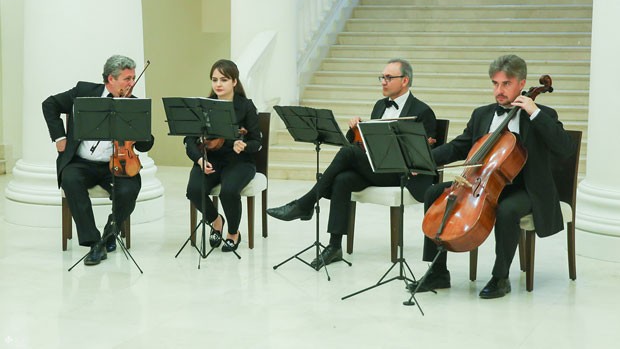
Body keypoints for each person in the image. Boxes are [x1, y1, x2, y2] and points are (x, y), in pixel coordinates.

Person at [411, 54, 576, 299]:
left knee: (507, 209)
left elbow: (565, 148)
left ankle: (500, 277)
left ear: (522, 83)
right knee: (434, 193)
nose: (499, 90)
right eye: (495, 83)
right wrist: (425, 161)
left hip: (526, 188)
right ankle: (437, 272)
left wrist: (534, 113)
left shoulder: (543, 114)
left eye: (506, 84)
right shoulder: (482, 114)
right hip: (485, 182)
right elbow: (459, 146)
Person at [267, 58, 437, 269]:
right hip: (378, 168)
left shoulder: (423, 111)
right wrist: (357, 128)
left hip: (402, 174)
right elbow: (368, 145)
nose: (383, 81)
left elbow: (428, 153)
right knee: (343, 179)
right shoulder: (379, 106)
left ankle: (306, 203)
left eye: (388, 77)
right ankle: (334, 246)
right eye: (382, 77)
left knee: (348, 153)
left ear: (405, 80)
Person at [42, 55, 155, 266]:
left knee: (130, 188)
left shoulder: (134, 104)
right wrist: (59, 137)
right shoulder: (84, 91)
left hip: (118, 163)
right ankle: (94, 242)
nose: (132, 83)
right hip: (81, 162)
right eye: (127, 78)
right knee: (70, 179)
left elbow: (145, 146)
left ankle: (111, 232)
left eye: (133, 78)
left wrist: (141, 129)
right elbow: (49, 104)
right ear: (111, 78)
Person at [184, 59, 261, 252]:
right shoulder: (203, 106)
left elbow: (256, 142)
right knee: (193, 190)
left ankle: (233, 233)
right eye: (214, 79)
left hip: (239, 161)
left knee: (229, 191)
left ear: (234, 81)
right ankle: (216, 220)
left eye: (224, 79)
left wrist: (243, 145)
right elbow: (189, 140)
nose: (218, 84)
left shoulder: (246, 106)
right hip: (210, 159)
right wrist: (199, 160)